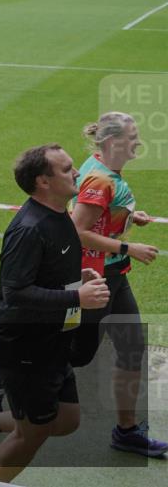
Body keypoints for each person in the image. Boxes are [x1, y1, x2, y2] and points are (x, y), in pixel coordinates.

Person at [0, 144, 109, 482]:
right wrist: (78, 297)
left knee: (66, 420)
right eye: (67, 169)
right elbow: (16, 293)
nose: (77, 173)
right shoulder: (28, 229)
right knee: (31, 433)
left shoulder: (60, 214)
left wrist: (75, 281)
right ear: (43, 182)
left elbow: (44, 273)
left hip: (53, 343)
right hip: (25, 351)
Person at [67, 112, 164, 457]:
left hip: (115, 277)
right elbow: (77, 231)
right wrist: (129, 247)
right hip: (95, 277)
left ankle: (126, 431)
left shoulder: (103, 171)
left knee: (132, 348)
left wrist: (127, 216)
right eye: (132, 136)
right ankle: (1, 369)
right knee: (76, 355)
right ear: (112, 142)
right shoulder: (100, 179)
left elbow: (99, 212)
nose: (137, 142)